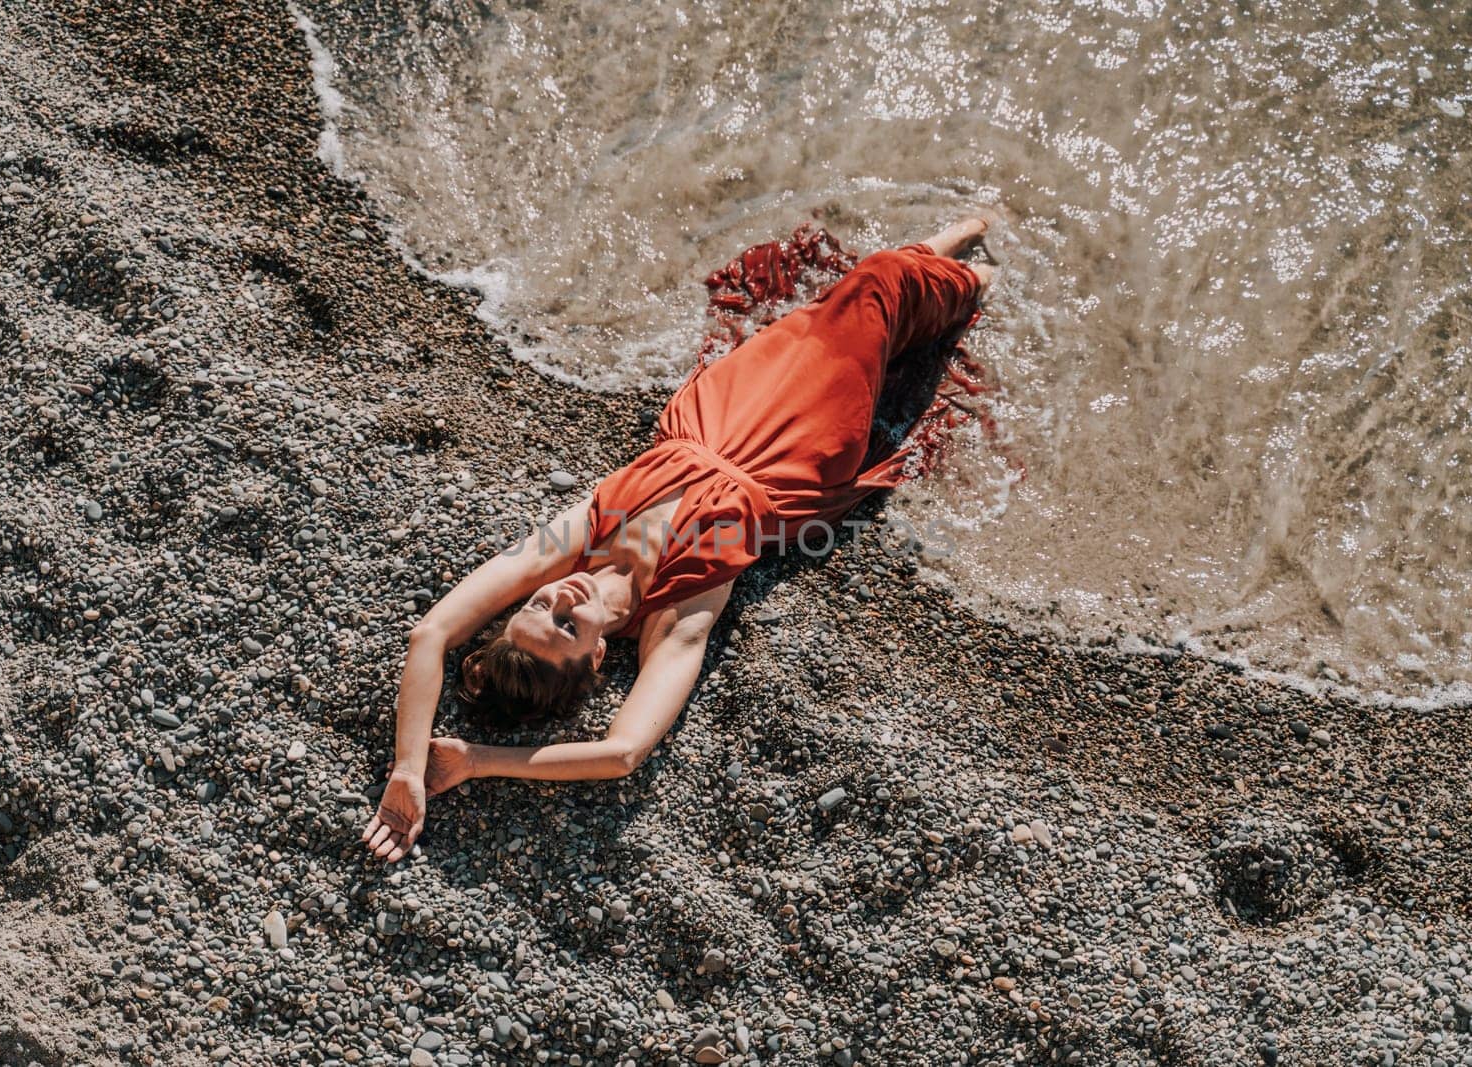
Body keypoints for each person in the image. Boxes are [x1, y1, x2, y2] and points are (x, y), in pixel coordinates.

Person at [362, 216, 998, 862]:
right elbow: (622, 752)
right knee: (875, 287)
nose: (561, 598)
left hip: (717, 409)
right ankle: (987, 271)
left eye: (536, 606)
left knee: (847, 301)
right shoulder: (677, 616)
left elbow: (432, 634)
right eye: (566, 625)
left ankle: (966, 252)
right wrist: (475, 760)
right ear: (595, 659)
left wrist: (408, 764)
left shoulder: (571, 544)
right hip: (793, 450)